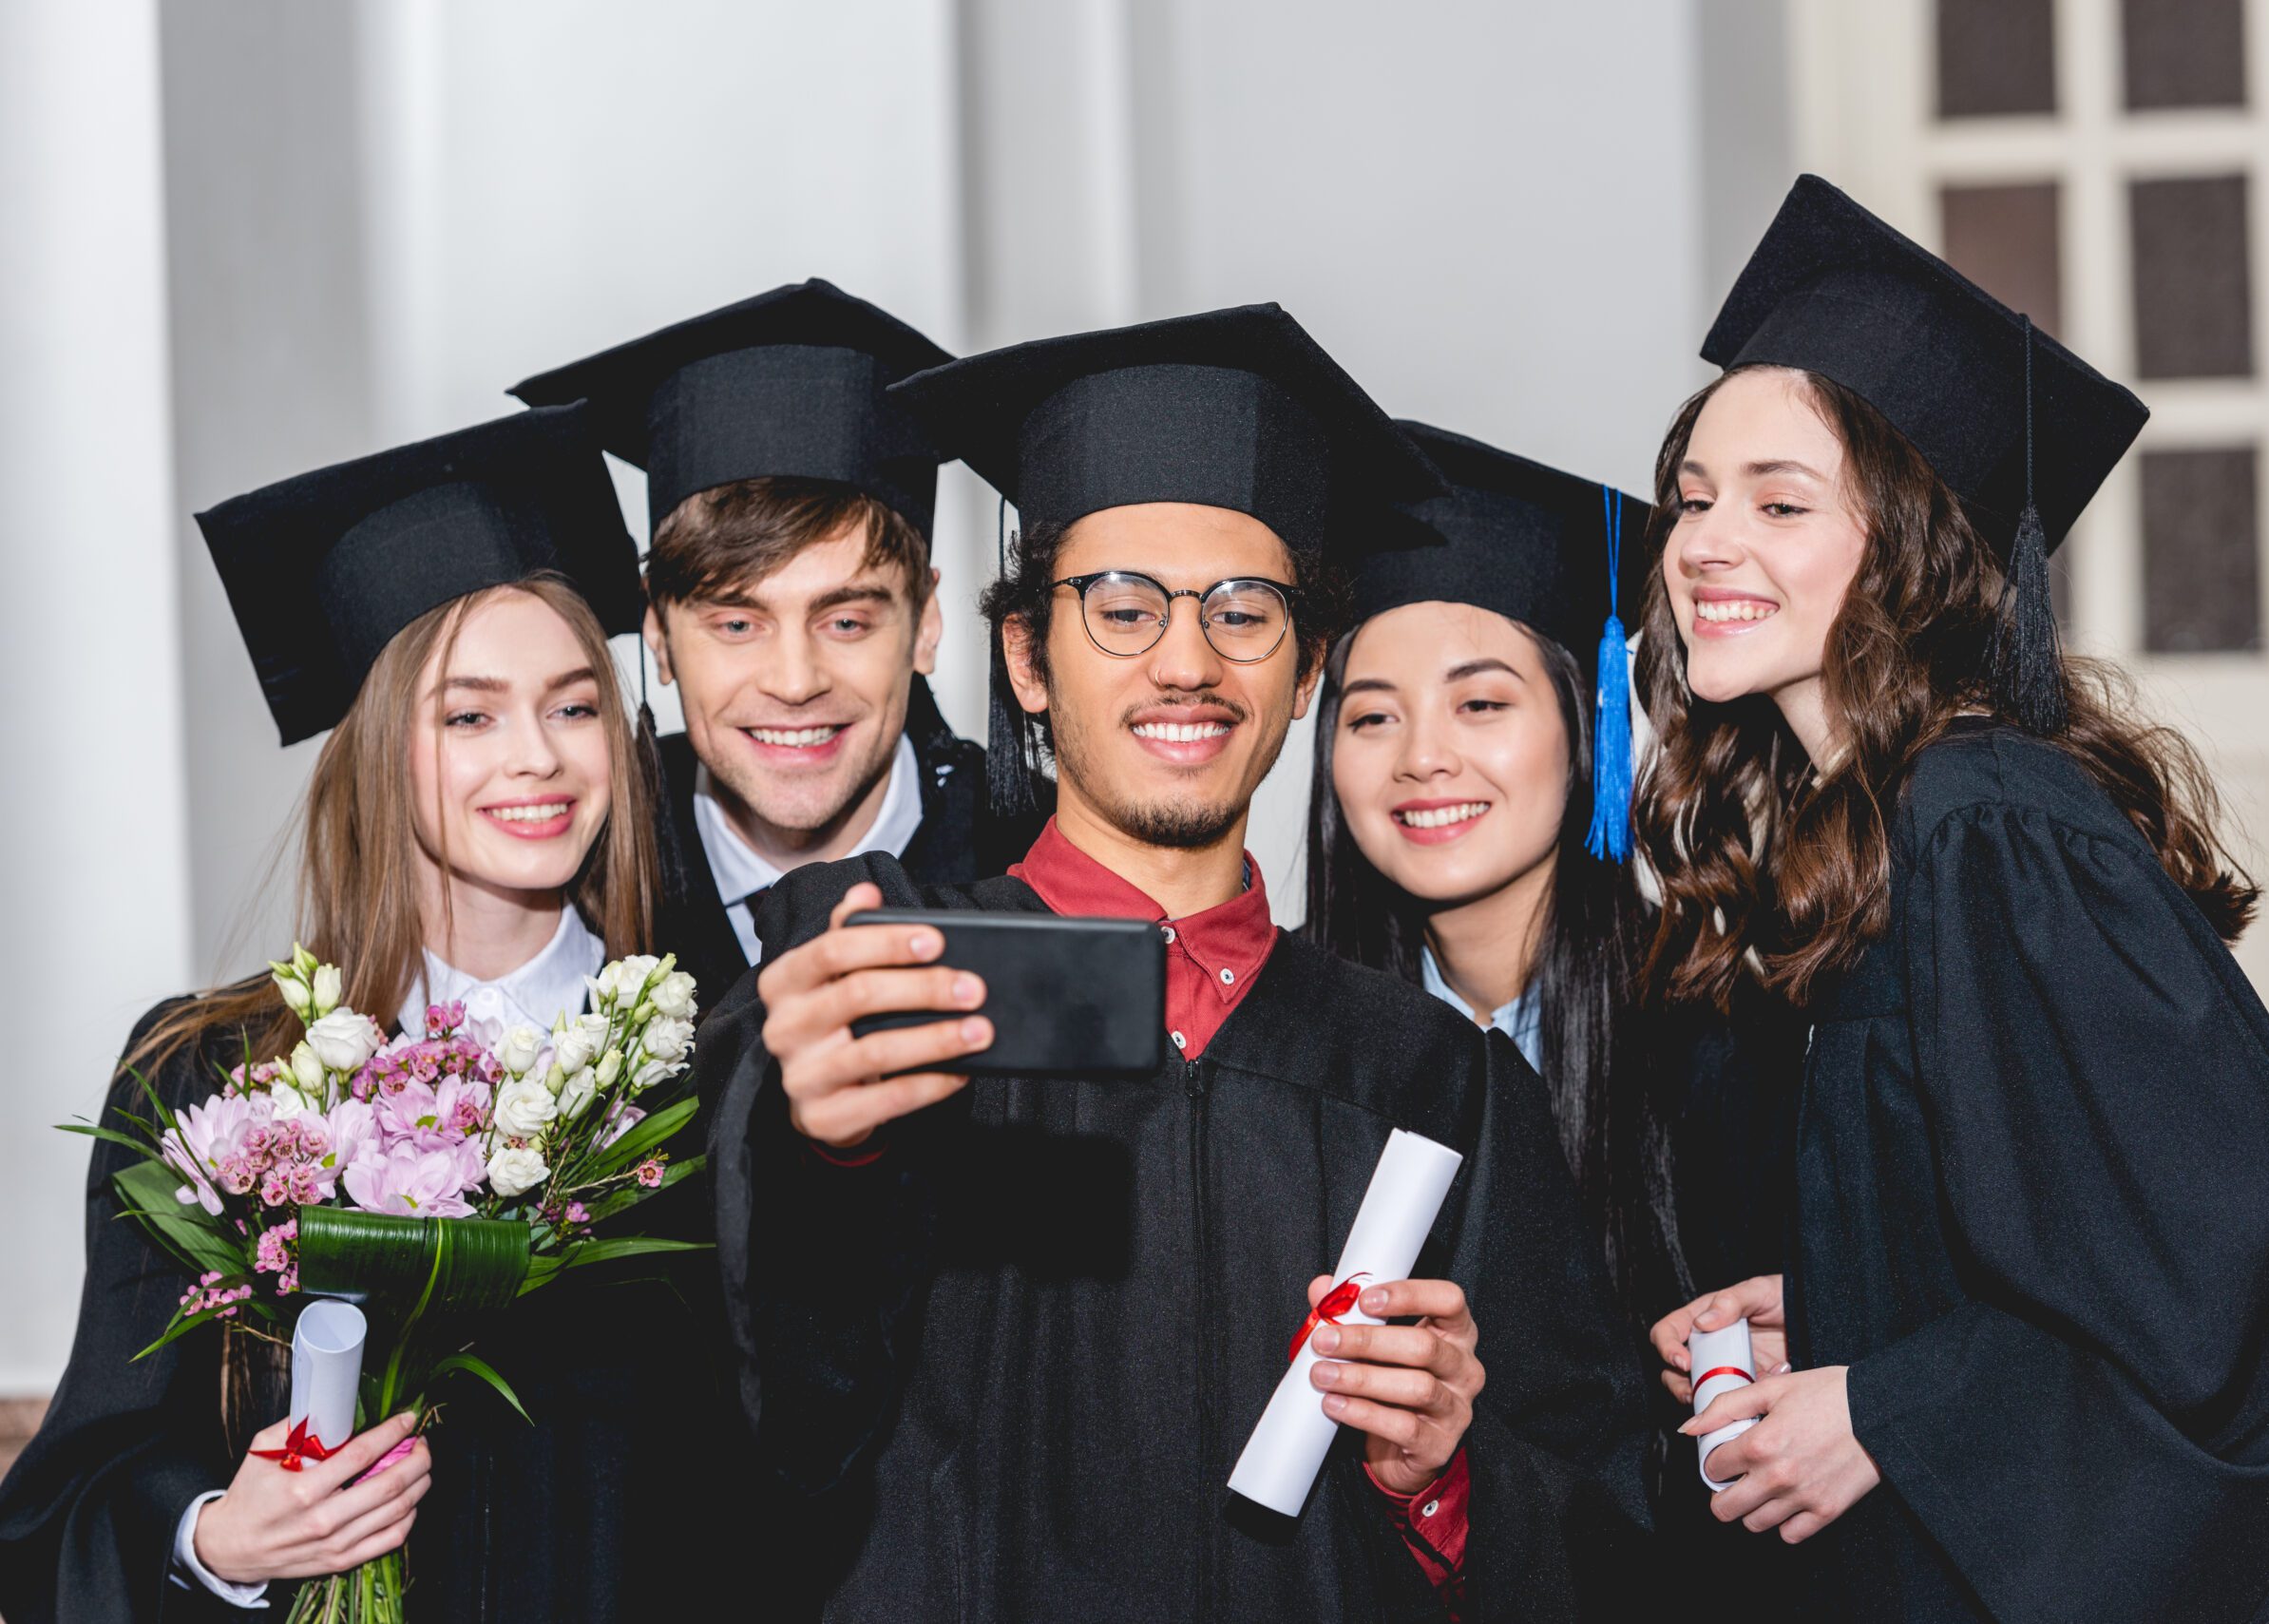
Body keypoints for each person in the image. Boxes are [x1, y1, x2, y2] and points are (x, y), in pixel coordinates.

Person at [696, 304, 1652, 1620]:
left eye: (1246, 613)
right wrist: (824, 1162)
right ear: (1028, 658)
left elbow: (1603, 1523)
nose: (1188, 662)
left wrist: (1441, 1476)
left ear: (1310, 669)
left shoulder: (1436, 1081)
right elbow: (770, 1444)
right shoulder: (885, 1000)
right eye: (1124, 607)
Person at [1640, 176, 2269, 1619]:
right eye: (1693, 498)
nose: (1704, 544)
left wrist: (1891, 1406)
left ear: (1914, 543)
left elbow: (2216, 1288)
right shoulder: (1871, 836)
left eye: (1778, 501)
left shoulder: (1992, 828)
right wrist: (1838, 1318)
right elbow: (2034, 1246)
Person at [0, 407, 682, 1621]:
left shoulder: (699, 1072)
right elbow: (82, 1485)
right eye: (468, 714)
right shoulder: (210, 1077)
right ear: (375, 749)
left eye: (576, 706)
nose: (537, 755)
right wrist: (222, 1538)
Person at [1303, 421, 1805, 1603]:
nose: (1422, 757)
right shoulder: (1300, 1065)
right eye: (1369, 716)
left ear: (1588, 729)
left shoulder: (1730, 1046)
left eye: (1481, 704)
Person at [512, 278, 1039, 1009]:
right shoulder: (569, 881)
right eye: (736, 624)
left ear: (925, 625)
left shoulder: (1034, 868)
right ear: (659, 636)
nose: (795, 682)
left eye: (846, 621)